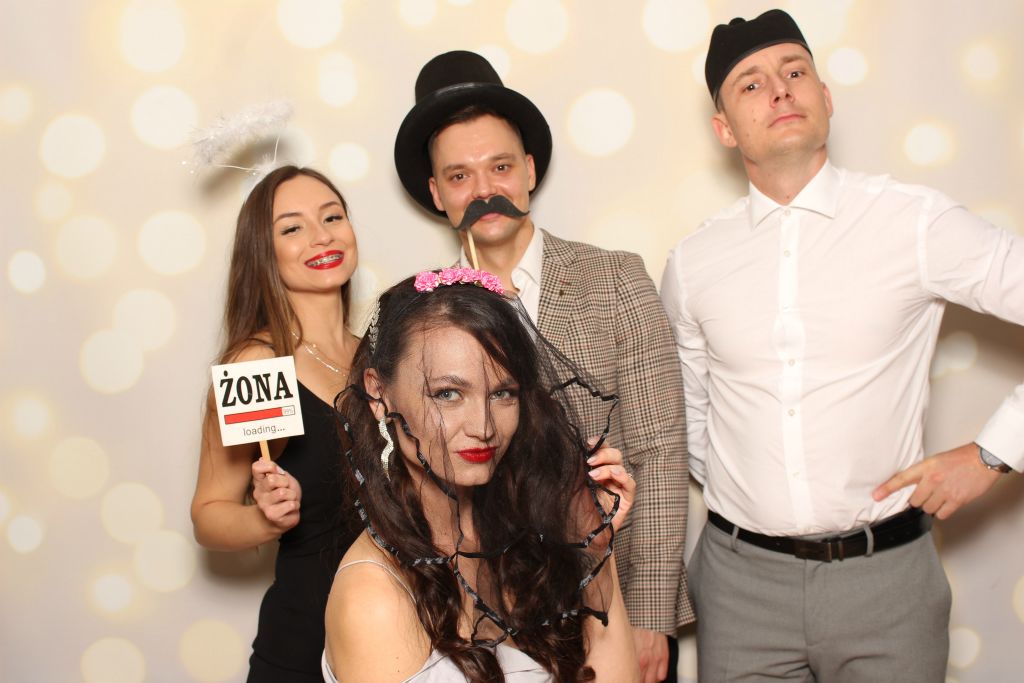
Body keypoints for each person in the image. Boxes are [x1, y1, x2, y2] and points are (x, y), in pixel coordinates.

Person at [661, 9, 1024, 682]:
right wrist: (763, 501)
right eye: (751, 84)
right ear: (724, 129)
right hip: (740, 589)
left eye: (795, 72)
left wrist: (994, 450)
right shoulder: (693, 262)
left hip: (889, 582)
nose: (780, 89)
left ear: (825, 98)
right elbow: (691, 411)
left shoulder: (914, 222)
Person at [394, 50, 691, 683]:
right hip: (483, 619)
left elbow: (660, 452)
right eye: (460, 176)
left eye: (500, 167)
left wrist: (650, 616)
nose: (484, 191)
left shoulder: (615, 279)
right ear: (437, 193)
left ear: (529, 170)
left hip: (610, 600)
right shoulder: (421, 315)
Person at [323, 269, 640, 682]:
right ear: (378, 394)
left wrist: (595, 548)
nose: (483, 426)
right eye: (447, 394)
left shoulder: (519, 540)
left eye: (502, 393)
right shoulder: (373, 598)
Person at [190, 165, 362, 681]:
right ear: (264, 252)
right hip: (305, 643)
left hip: (403, 638)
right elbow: (208, 514)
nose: (322, 236)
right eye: (292, 228)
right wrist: (265, 520)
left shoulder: (384, 354)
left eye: (332, 217)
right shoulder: (258, 364)